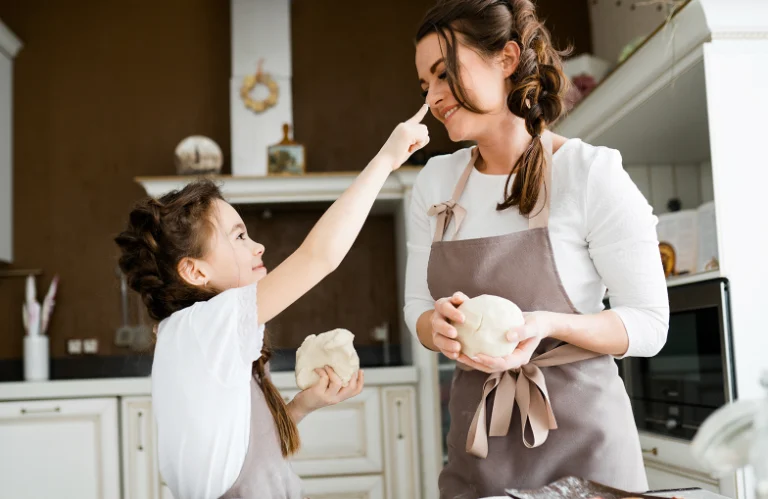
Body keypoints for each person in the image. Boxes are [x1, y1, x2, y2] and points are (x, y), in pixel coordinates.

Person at [404, 1, 669, 497]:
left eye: (444, 75)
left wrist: (546, 324)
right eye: (425, 86)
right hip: (478, 441)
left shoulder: (588, 173)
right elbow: (416, 307)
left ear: (506, 59)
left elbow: (651, 324)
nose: (434, 98)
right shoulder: (435, 181)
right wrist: (433, 327)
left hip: (585, 444)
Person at [115, 105, 430, 499]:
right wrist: (387, 159)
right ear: (194, 272)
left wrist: (302, 405)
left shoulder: (205, 338)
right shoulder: (204, 326)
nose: (258, 245)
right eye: (239, 237)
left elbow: (252, 455)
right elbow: (320, 257)